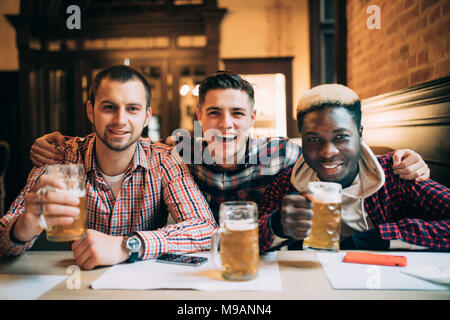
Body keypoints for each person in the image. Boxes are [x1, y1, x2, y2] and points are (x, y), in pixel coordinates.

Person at [29, 72, 430, 227]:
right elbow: (124, 139)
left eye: (237, 113)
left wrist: (400, 159)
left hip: (264, 256)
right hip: (192, 261)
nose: (227, 124)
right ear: (200, 115)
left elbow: (333, 151)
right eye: (215, 113)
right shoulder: (178, 152)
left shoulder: (282, 153)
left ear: (253, 116)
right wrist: (59, 143)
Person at [0, 65, 217, 269]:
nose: (120, 120)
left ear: (146, 117)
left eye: (132, 108)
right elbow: (3, 239)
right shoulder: (60, 156)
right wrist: (22, 228)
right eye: (109, 107)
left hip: (142, 289)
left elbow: (205, 229)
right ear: (90, 111)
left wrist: (129, 245)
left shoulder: (163, 160)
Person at [258, 84, 450, 252]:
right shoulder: (287, 182)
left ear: (360, 134)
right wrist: (276, 225)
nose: (328, 152)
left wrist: (378, 238)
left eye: (341, 137)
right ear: (302, 140)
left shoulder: (395, 175)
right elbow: (248, 236)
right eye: (313, 139)